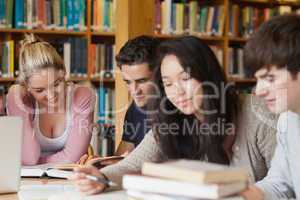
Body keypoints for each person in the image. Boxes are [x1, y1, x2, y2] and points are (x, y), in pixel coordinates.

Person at [70, 36, 277, 195]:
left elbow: (285, 183)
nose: (177, 91)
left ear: (207, 74)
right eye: (168, 83)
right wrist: (100, 177)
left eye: (185, 78)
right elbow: (133, 164)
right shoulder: (170, 117)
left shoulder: (257, 113)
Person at [6, 34, 96, 165]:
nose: (51, 95)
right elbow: (28, 158)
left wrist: (38, 162)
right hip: (27, 180)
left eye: (56, 84)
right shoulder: (20, 98)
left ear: (64, 72)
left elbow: (72, 158)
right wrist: (17, 100)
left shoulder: (83, 96)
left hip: (67, 178)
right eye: (39, 90)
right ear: (27, 87)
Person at [241, 14, 300, 200]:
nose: (259, 91)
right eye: (258, 80)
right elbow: (280, 184)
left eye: (269, 78)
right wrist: (236, 195)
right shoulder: (288, 119)